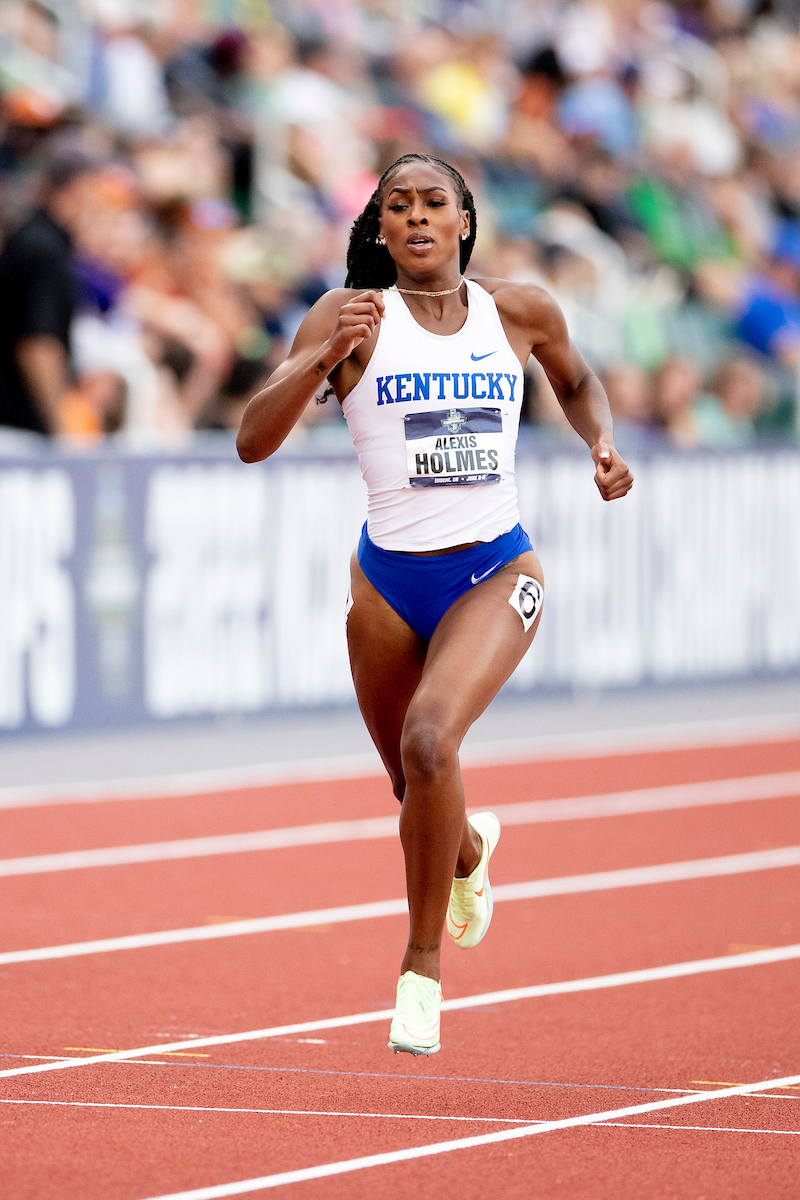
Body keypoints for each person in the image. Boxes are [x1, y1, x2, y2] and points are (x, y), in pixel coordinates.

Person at [237, 153, 633, 1056]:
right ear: (379, 228)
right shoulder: (348, 317)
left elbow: (575, 381)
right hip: (386, 583)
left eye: (434, 204)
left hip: (496, 568)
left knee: (429, 741)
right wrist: (324, 362)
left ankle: (420, 973)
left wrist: (600, 442)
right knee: (413, 786)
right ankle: (464, 852)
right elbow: (253, 440)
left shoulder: (519, 311)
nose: (416, 218)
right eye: (398, 206)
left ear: (465, 222)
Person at [0, 150, 103, 436]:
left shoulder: (37, 239)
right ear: (78, 188)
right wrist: (59, 424)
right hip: (17, 430)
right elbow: (37, 343)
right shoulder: (43, 248)